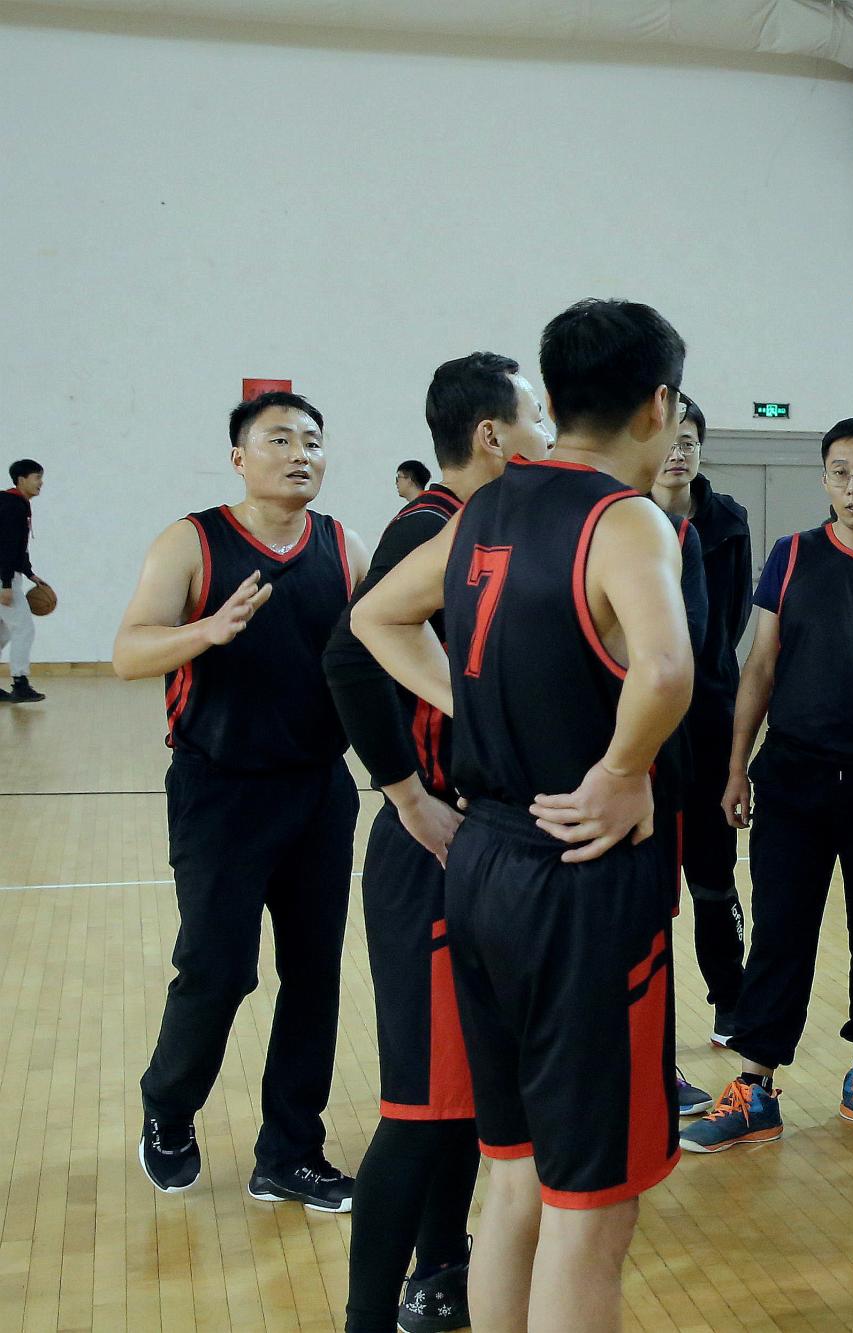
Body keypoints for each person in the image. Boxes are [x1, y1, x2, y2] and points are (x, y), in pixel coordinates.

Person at [353, 298, 696, 1333]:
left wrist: (473, 699)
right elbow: (666, 669)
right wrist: (625, 767)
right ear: (659, 404)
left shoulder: (480, 509)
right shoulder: (624, 518)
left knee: (512, 1179)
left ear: (551, 396)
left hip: (482, 864)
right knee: (591, 1210)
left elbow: (374, 615)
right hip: (578, 876)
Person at [323, 352, 553, 1333]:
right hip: (429, 852)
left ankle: (443, 1268)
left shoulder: (486, 529)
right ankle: (367, 1316)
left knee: (466, 1099)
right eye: (535, 414)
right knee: (420, 1111)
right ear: (493, 435)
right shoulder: (431, 529)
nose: (548, 431)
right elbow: (348, 653)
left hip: (479, 848)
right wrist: (408, 795)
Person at [115, 391, 369, 1211]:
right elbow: (128, 651)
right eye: (280, 439)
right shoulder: (191, 541)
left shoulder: (343, 545)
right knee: (219, 969)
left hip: (319, 789)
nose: (301, 454)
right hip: (219, 790)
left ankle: (290, 1151)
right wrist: (207, 630)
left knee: (313, 976)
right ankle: (168, 1105)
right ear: (239, 457)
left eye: (313, 441)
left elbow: (382, 647)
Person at [685, 416, 853, 1151]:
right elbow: (761, 664)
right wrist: (737, 765)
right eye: (840, 471)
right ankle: (755, 1085)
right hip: (792, 776)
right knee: (780, 930)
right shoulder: (792, 554)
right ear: (824, 479)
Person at [649, 396, 753, 1055]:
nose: (678, 452)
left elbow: (731, 620)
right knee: (648, 879)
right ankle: (644, 1017)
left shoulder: (727, 522)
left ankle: (730, 997)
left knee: (715, 873)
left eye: (689, 440)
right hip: (644, 720)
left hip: (710, 715)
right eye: (669, 440)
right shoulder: (623, 519)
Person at [0, 459, 52, 703]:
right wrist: (6, 584)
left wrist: (29, 573)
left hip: (8, 574)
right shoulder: (12, 506)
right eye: (37, 477)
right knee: (23, 628)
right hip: (3, 576)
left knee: (3, 633)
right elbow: (5, 547)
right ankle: (20, 684)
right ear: (21, 480)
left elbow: (18, 547)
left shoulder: (16, 504)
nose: (41, 482)